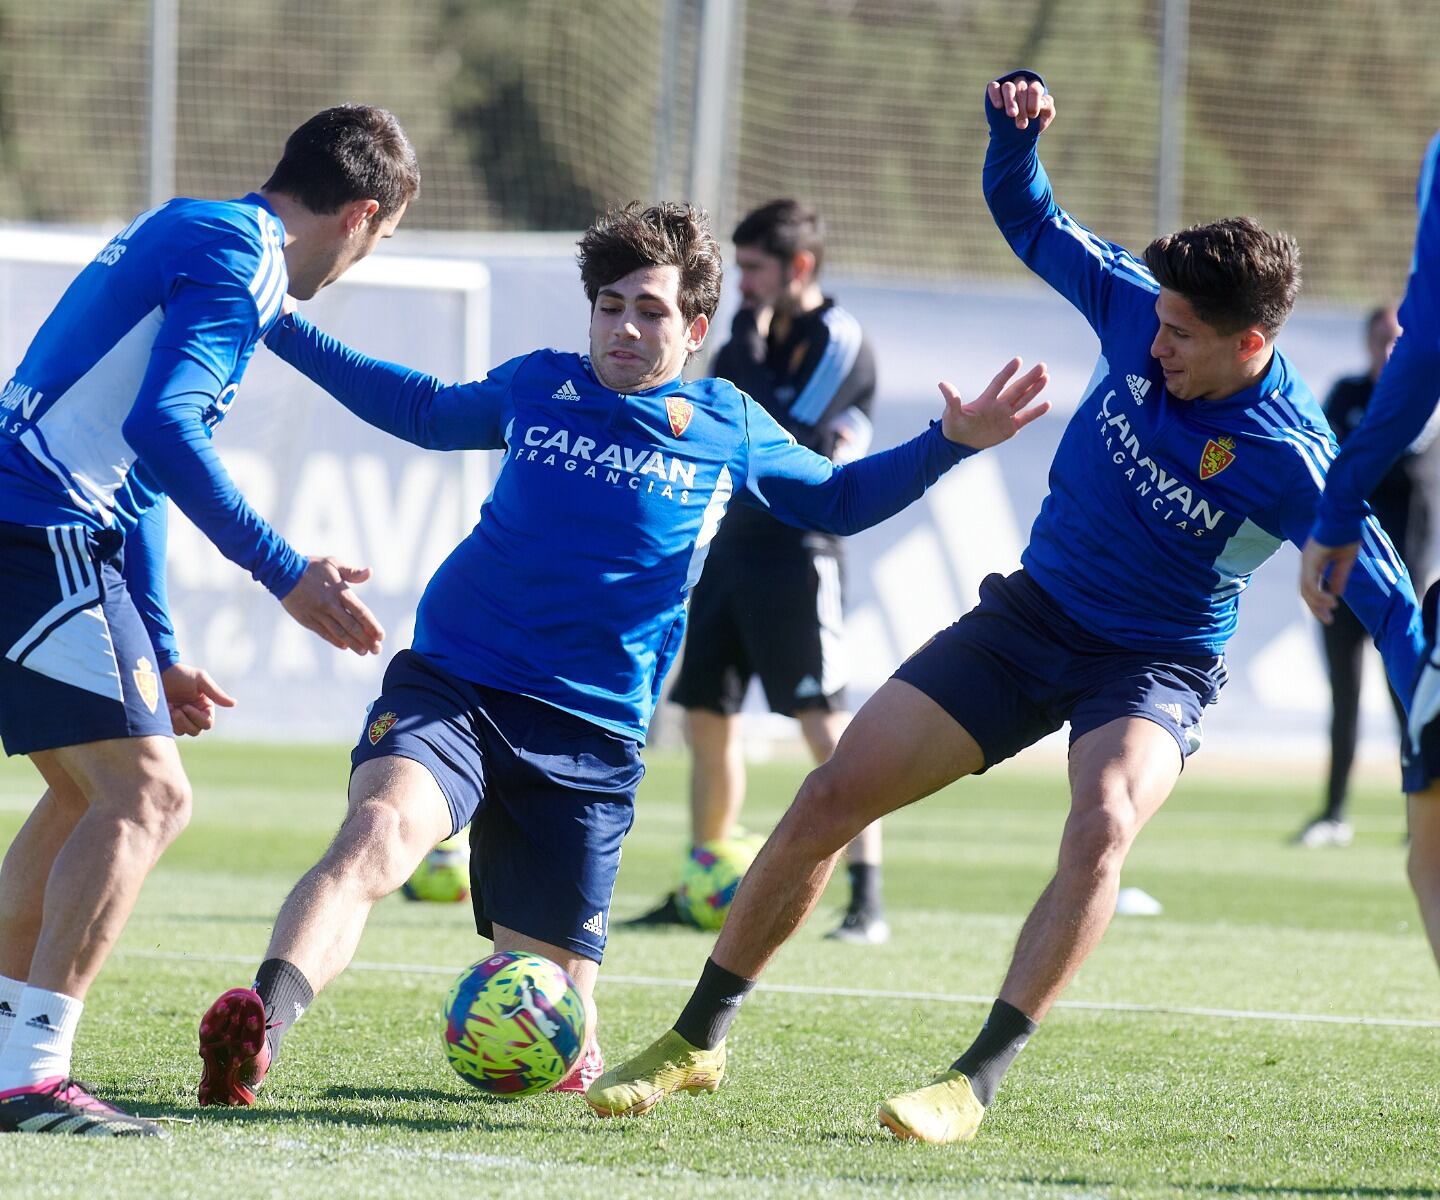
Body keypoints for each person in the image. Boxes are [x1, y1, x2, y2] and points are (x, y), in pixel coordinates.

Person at [587, 71, 1426, 1144]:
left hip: (1154, 664)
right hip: (1029, 616)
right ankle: (697, 1037)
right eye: (1157, 322)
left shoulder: (1294, 461)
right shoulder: (1136, 309)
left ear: (1249, 345)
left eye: (1181, 336)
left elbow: (1393, 600)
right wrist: (1010, 138)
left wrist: (1425, 715)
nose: (1154, 344)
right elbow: (1031, 219)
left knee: (1104, 824)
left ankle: (970, 1083)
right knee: (830, 796)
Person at [192, 201, 1050, 1107]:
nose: (626, 328)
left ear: (696, 328)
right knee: (381, 832)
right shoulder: (541, 385)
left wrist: (948, 443)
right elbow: (420, 410)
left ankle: (556, 1032)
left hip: (593, 735)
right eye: (610, 306)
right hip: (459, 681)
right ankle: (261, 1027)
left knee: (556, 1027)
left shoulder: (728, 425)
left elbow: (834, 502)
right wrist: (278, 322)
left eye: (650, 310)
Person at [0, 105, 420, 1136]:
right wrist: (283, 570)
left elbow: (138, 471)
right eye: (381, 240)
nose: (366, 258)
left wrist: (165, 650)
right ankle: (31, 1075)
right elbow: (164, 426)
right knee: (148, 799)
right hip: (31, 528)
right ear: (363, 214)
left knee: (79, 795)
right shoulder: (238, 257)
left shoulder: (197, 228)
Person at [626, 198, 890, 943]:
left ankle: (865, 897)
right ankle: (703, 879)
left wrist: (747, 357)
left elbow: (779, 435)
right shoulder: (746, 330)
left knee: (823, 723)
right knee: (706, 716)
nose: (739, 282)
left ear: (798, 268)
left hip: (797, 554)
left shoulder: (837, 337)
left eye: (753, 268)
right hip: (730, 549)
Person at [1300, 130, 1440, 972]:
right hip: (1374, 584)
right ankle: (1336, 806)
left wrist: (1338, 507)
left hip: (1398, 574)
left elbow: (1424, 352)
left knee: (1430, 849)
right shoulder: (1347, 390)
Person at [1298, 306, 1431, 848]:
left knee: (1411, 702)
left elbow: (1406, 467)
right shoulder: (1348, 395)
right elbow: (1325, 466)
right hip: (1343, 578)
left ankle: (1420, 820)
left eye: (1398, 337)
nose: (1389, 347)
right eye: (1381, 337)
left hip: (1403, 586)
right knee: (1344, 699)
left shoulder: (1424, 398)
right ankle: (1333, 814)